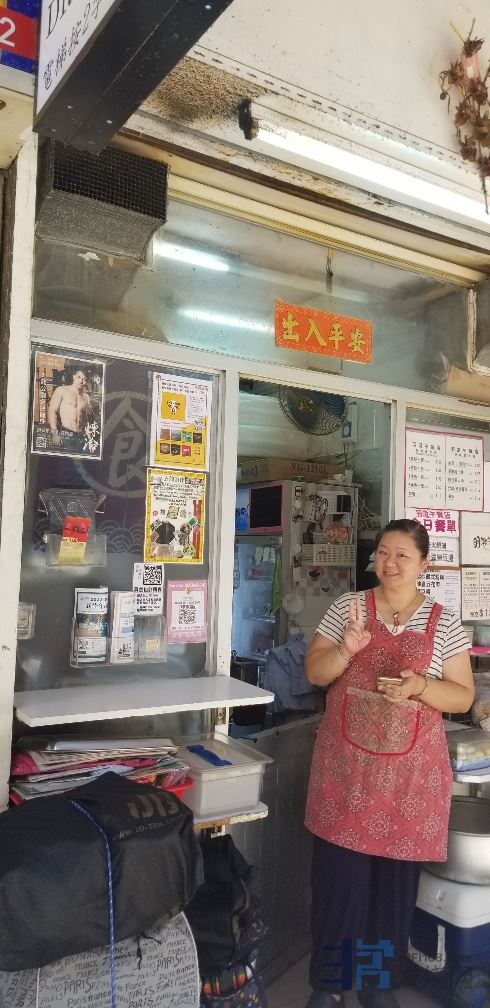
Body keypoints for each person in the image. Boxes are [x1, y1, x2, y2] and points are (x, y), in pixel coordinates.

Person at [303, 519, 474, 1008]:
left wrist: (421, 687)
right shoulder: (348, 608)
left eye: (402, 555)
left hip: (408, 785)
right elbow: (315, 672)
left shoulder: (444, 622)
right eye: (382, 552)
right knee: (339, 887)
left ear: (423, 563)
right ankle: (330, 986)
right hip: (346, 776)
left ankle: (374, 985)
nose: (390, 563)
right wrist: (346, 649)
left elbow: (462, 696)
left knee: (390, 894)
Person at [47, 369, 91, 451]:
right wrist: (55, 434)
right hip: (66, 434)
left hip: (81, 436)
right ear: (74, 377)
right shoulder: (62, 390)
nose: (81, 381)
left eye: (84, 379)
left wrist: (89, 435)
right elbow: (52, 411)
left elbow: (85, 418)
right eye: (79, 377)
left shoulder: (86, 397)